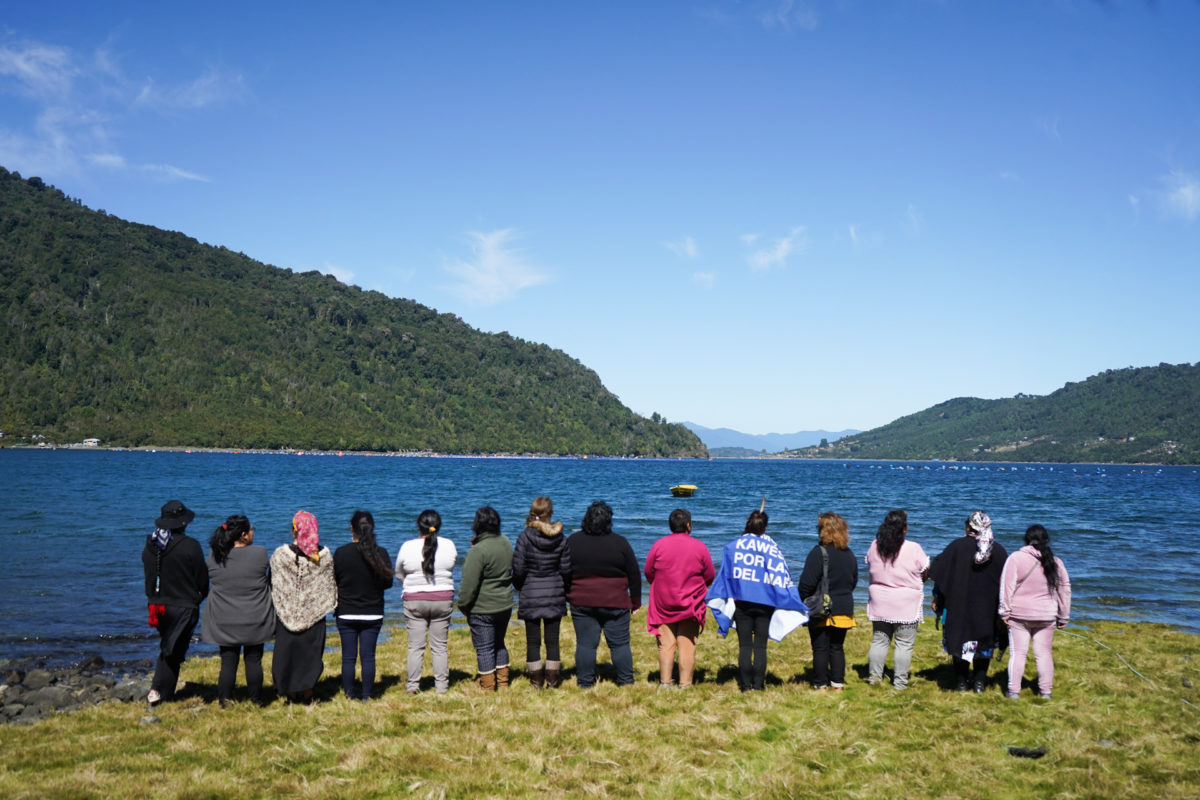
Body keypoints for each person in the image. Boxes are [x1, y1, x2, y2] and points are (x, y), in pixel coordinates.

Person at [706, 509, 809, 691]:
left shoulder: (733, 546)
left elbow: (726, 574)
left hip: (742, 603)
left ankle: (746, 686)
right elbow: (781, 574)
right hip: (765, 603)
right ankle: (759, 685)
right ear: (765, 528)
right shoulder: (772, 548)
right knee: (760, 646)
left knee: (745, 645)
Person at [927, 510, 1009, 693]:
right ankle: (979, 682)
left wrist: (937, 597)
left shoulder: (956, 547)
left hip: (959, 605)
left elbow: (940, 574)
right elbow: (1008, 582)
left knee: (963, 641)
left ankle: (961, 682)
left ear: (968, 528)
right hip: (987, 608)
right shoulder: (999, 551)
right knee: (984, 642)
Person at [201, 515, 276, 706]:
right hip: (255, 616)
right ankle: (256, 700)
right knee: (254, 660)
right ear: (243, 534)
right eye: (251, 530)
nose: (253, 533)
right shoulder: (259, 553)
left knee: (228, 661)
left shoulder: (214, 556)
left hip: (224, 618)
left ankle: (224, 701)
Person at [566, 501, 641, 688]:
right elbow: (634, 574)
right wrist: (636, 601)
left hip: (582, 601)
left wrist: (567, 594)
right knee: (620, 644)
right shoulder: (620, 542)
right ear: (609, 521)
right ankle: (626, 681)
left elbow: (563, 571)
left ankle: (585, 682)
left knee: (586, 644)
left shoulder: (573, 541)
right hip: (615, 601)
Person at [142, 499, 209, 705]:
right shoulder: (190, 546)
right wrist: (199, 597)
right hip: (183, 605)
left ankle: (162, 692)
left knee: (169, 646)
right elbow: (202, 578)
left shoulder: (151, 544)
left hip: (157, 605)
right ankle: (159, 692)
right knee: (173, 650)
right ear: (183, 523)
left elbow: (149, 574)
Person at [269, 510, 336, 704]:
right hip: (313, 613)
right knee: (310, 653)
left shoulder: (281, 555)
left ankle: (290, 694)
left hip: (286, 612)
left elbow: (272, 582)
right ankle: (307, 693)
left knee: (287, 653)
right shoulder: (324, 557)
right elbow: (330, 585)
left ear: (294, 531)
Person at [644, 508, 715, 688]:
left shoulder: (659, 545)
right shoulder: (699, 547)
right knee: (687, 645)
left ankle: (665, 682)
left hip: (663, 602)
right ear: (689, 526)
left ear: (670, 525)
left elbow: (648, 572)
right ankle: (685, 684)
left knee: (666, 644)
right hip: (691, 603)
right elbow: (710, 575)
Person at [1000, 524, 1071, 699]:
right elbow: (1065, 590)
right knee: (1044, 654)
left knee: (1018, 653)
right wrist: (1063, 616)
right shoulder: (1056, 562)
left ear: (1027, 539)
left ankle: (1013, 691)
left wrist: (1004, 612)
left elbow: (1006, 587)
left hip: (1019, 615)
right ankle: (1046, 692)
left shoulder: (1015, 558)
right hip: (1046, 615)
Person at [865, 509, 930, 691]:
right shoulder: (913, 548)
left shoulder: (875, 545)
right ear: (904, 529)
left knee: (879, 640)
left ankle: (874, 678)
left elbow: (870, 564)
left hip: (880, 601)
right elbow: (926, 570)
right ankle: (900, 683)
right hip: (905, 604)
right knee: (904, 644)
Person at [333, 510, 394, 700]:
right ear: (372, 528)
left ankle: (349, 695)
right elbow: (388, 583)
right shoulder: (380, 553)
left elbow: (334, 580)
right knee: (368, 657)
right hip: (372, 612)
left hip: (346, 612)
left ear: (351, 528)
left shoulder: (341, 553)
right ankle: (367, 695)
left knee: (348, 657)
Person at [511, 496, 571, 689]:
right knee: (553, 641)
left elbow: (518, 569)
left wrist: (520, 586)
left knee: (533, 641)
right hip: (554, 591)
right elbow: (566, 570)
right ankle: (552, 682)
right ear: (550, 513)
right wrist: (563, 589)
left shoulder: (524, 537)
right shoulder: (561, 538)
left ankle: (535, 682)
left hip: (531, 592)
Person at [395, 509, 457, 694]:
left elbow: (398, 572)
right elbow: (451, 566)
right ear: (438, 526)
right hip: (442, 599)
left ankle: (413, 686)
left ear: (419, 526)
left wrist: (409, 585)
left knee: (415, 646)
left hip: (414, 600)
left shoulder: (407, 546)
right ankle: (441, 687)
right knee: (440, 646)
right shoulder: (449, 545)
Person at [798, 512, 858, 692]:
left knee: (820, 648)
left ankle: (820, 684)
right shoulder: (849, 554)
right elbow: (853, 581)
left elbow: (806, 584)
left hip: (821, 608)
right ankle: (838, 684)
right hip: (844, 607)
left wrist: (801, 602)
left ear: (823, 531)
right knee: (837, 647)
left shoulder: (818, 553)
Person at [458, 506, 515, 691]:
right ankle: (503, 683)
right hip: (504, 604)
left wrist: (463, 605)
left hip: (482, 608)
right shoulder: (506, 542)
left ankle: (488, 687)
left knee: (484, 648)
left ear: (477, 525)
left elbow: (469, 585)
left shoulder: (478, 550)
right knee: (499, 644)